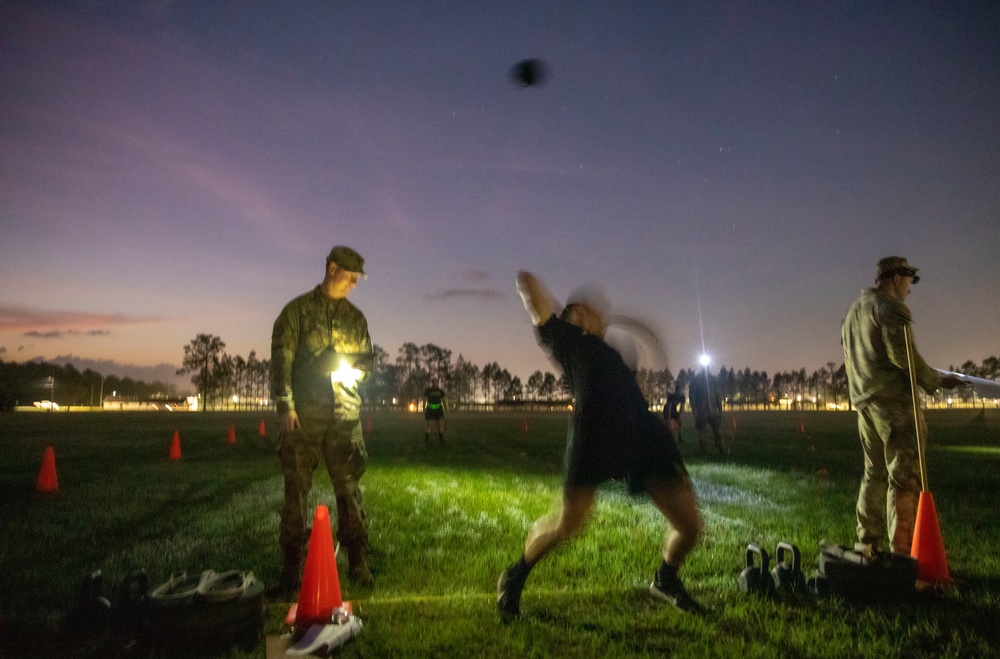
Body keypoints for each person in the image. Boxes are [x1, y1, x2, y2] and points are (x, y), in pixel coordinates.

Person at [497, 271, 703, 618]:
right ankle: (514, 577)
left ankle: (665, 580)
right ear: (578, 313)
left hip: (642, 438)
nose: (605, 316)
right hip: (593, 439)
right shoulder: (565, 340)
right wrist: (563, 311)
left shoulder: (612, 352)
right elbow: (525, 282)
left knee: (690, 525)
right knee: (568, 524)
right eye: (597, 310)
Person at [841, 256, 961, 558]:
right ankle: (903, 552)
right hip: (892, 403)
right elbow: (902, 356)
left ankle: (867, 542)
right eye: (910, 280)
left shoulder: (853, 312)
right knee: (905, 474)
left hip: (864, 402)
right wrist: (934, 380)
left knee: (873, 473)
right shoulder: (890, 307)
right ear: (896, 278)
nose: (910, 288)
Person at [271, 245, 375, 592]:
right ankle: (291, 568)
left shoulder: (356, 319)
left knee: (349, 490)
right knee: (296, 490)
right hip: (305, 417)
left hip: (345, 416)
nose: (354, 284)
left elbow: (368, 362)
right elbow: (281, 362)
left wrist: (356, 374)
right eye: (349, 277)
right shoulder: (297, 312)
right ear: (332, 269)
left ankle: (357, 561)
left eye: (357, 279)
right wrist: (286, 406)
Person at [688, 367, 727, 456]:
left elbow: (717, 395)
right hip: (706, 410)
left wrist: (720, 410)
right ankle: (718, 449)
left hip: (709, 410)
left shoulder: (697, 381)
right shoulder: (709, 380)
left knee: (713, 431)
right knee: (706, 432)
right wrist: (695, 410)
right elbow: (693, 397)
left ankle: (719, 449)